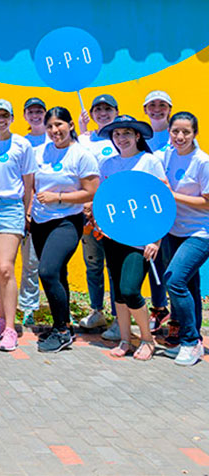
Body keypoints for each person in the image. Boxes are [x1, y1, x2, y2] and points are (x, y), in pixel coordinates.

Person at [94, 115, 166, 360]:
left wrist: (155, 240)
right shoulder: (108, 164)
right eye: (116, 134)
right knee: (119, 293)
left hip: (141, 239)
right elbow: (104, 199)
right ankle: (125, 339)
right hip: (113, 237)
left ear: (137, 136)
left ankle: (147, 339)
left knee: (131, 289)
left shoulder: (149, 162)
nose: (121, 138)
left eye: (126, 133)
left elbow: (162, 203)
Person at [31, 106, 99, 353]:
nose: (54, 130)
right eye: (50, 126)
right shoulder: (39, 152)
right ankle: (65, 325)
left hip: (67, 221)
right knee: (58, 275)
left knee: (47, 272)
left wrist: (58, 197)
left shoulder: (81, 155)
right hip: (40, 222)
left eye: (59, 124)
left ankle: (60, 330)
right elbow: (29, 183)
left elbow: (92, 191)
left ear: (71, 125)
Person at [0, 100, 36, 352]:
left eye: (5, 116)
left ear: (12, 118)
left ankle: (11, 328)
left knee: (5, 267)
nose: (1, 120)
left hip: (11, 207)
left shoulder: (22, 144)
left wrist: (27, 211)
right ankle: (1, 319)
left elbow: (29, 181)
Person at [161, 112, 209, 365]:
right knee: (190, 286)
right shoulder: (166, 156)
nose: (180, 137)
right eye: (175, 131)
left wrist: (173, 196)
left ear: (195, 134)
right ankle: (196, 339)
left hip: (200, 233)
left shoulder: (203, 162)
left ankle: (189, 341)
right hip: (173, 231)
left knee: (174, 281)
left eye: (186, 132)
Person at [77, 94, 121, 338]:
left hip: (113, 213)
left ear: (116, 112)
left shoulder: (121, 138)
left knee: (114, 266)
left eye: (108, 109)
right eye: (98, 109)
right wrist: (83, 132)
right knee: (93, 263)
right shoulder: (85, 140)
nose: (102, 113)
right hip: (88, 212)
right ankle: (97, 311)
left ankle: (118, 317)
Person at [142, 90, 174, 332]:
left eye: (162, 105)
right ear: (145, 110)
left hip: (175, 209)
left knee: (173, 264)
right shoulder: (141, 137)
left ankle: (179, 317)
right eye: (152, 105)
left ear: (169, 110)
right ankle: (159, 308)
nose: (157, 109)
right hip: (146, 209)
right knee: (153, 260)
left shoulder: (176, 137)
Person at [19, 98, 47, 326]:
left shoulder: (55, 140)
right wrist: (27, 208)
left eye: (39, 111)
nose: (35, 115)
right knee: (30, 262)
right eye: (31, 111)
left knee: (54, 263)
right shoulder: (22, 143)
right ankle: (29, 306)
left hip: (55, 211)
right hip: (28, 210)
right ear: (25, 116)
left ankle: (60, 305)